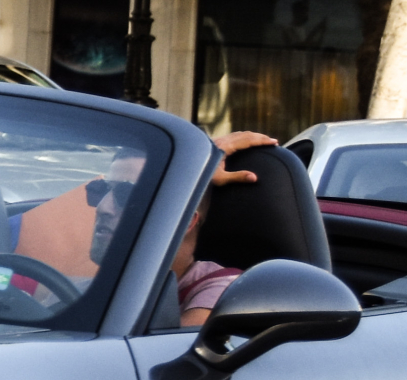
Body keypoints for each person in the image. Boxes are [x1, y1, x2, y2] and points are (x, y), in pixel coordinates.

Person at [85, 130, 277, 326]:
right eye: (100, 190)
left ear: (184, 221)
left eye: (127, 195)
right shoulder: (81, 289)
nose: (102, 207)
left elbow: (164, 354)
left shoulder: (226, 290)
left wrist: (196, 162)